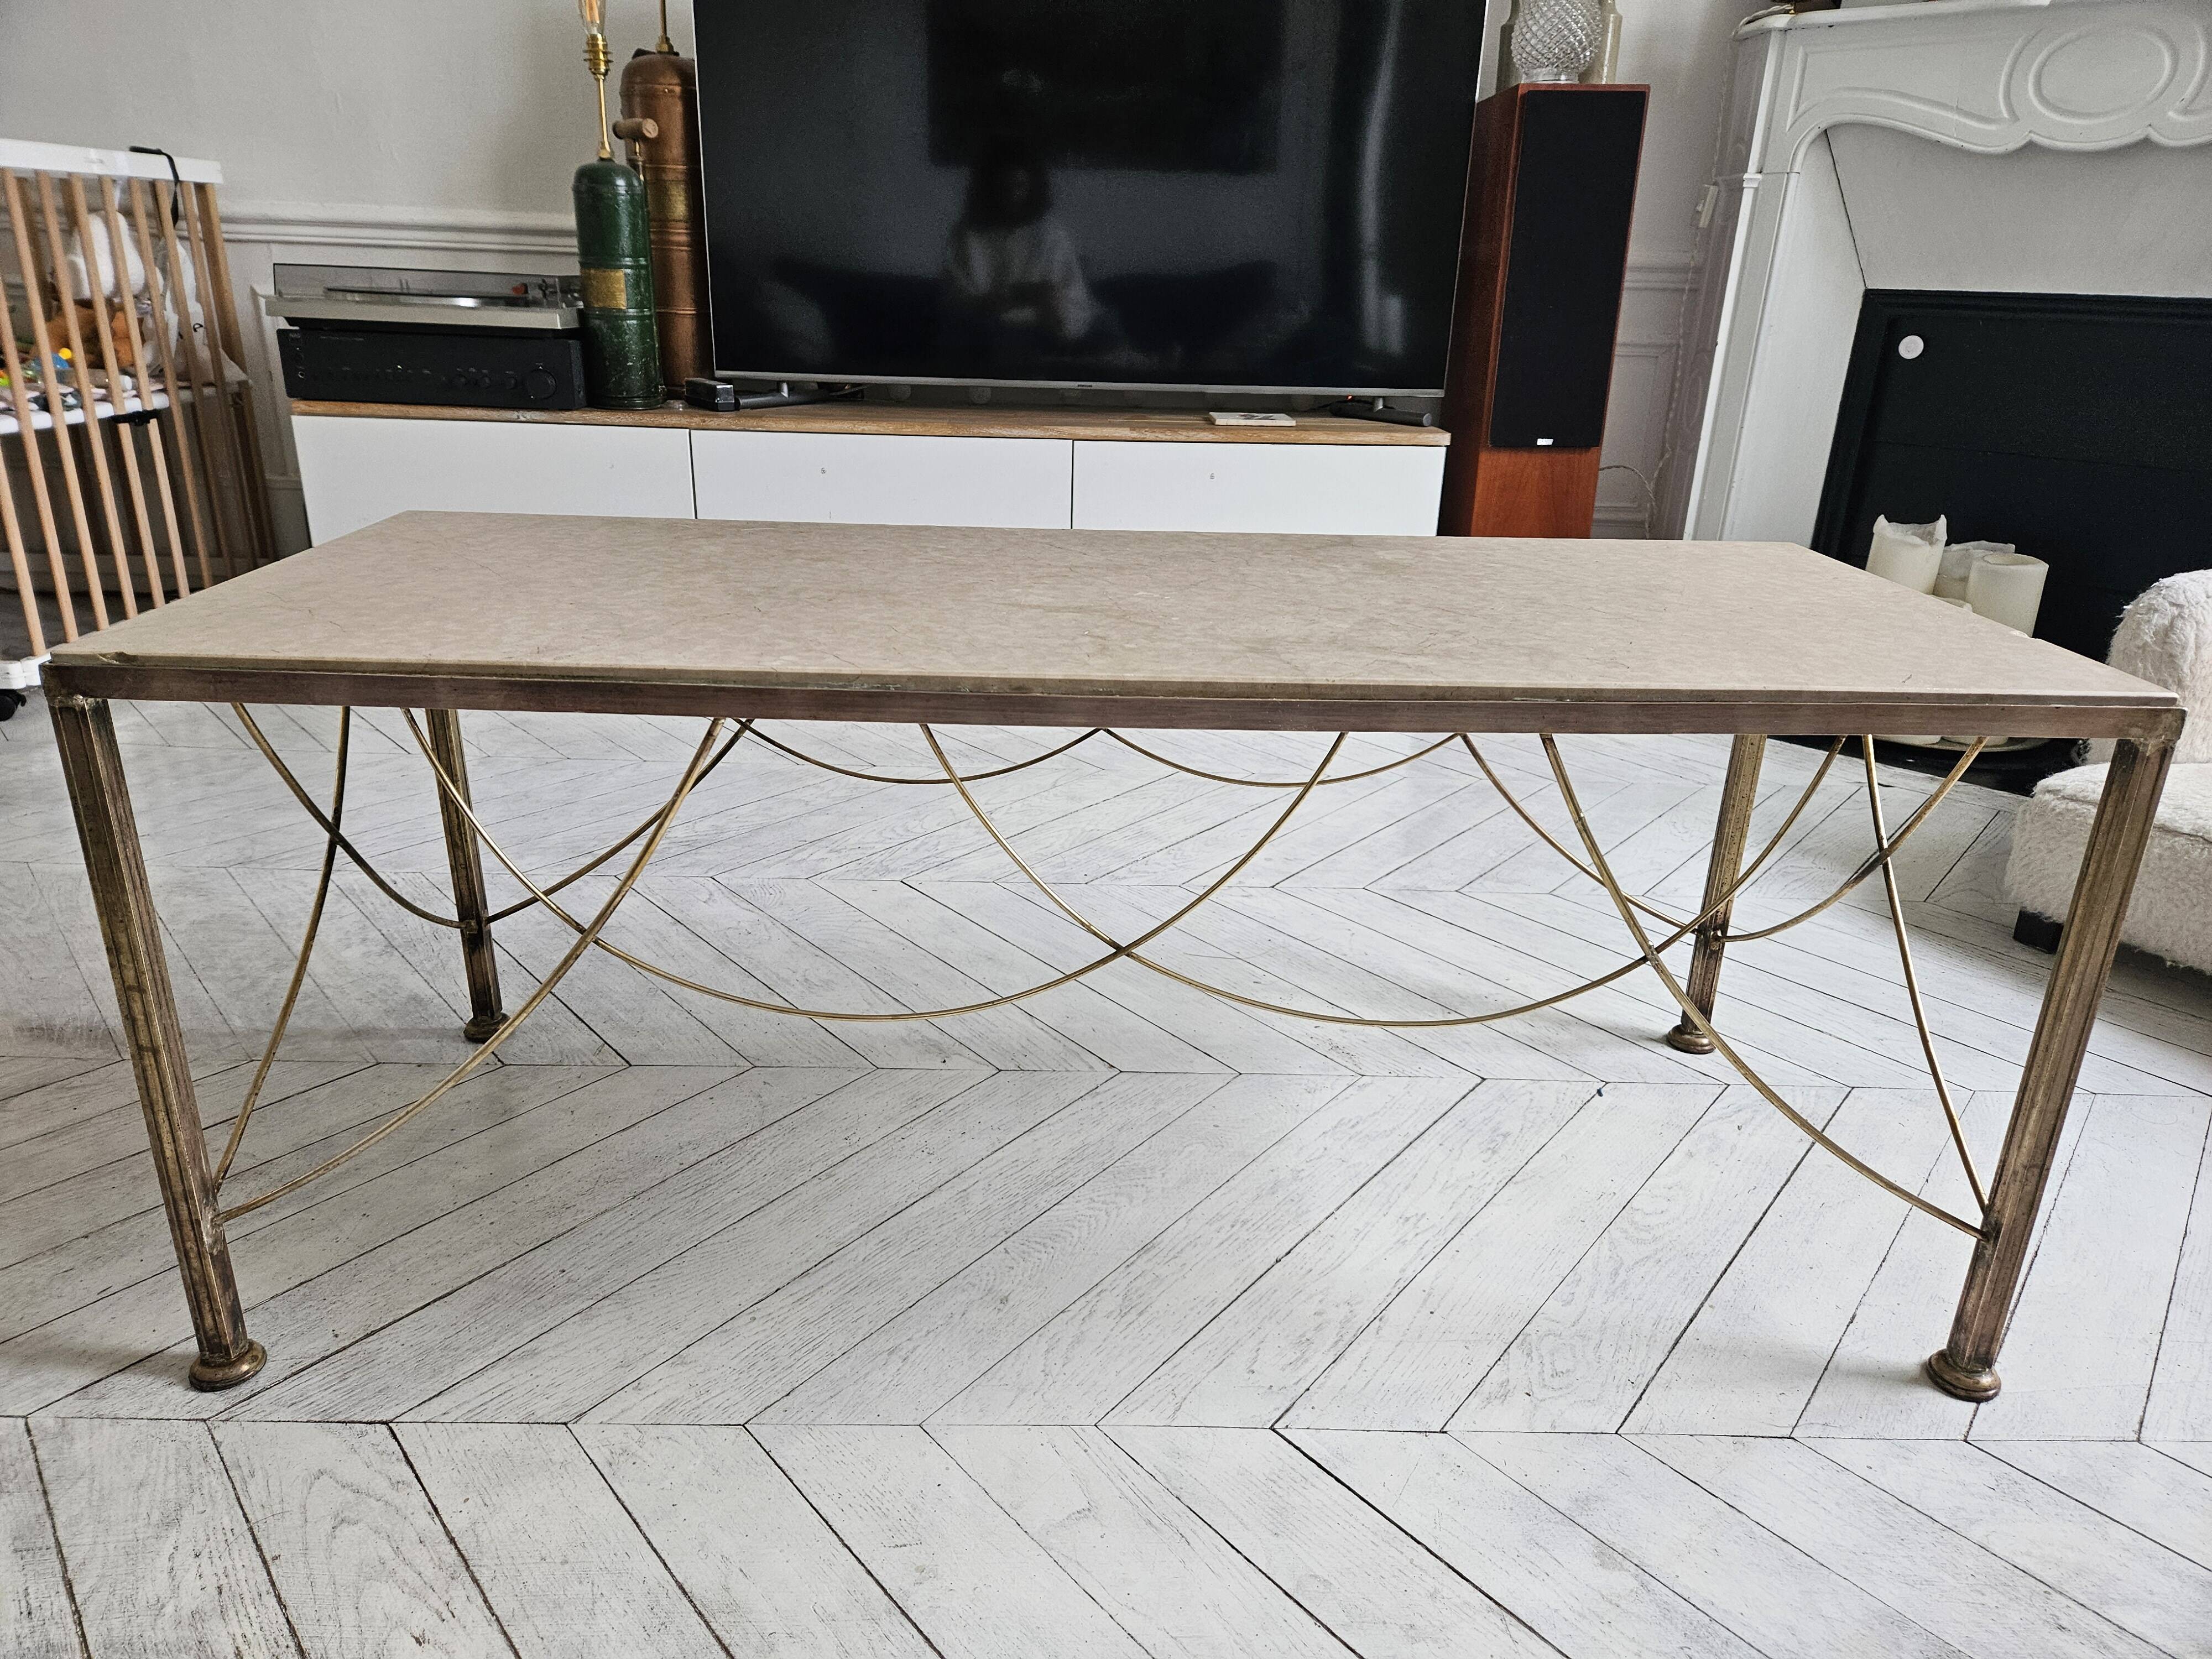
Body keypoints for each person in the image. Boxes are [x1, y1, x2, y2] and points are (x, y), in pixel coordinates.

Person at [943, 137, 1102, 351]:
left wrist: (1050, 300)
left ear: (1033, 187)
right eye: (1003, 188)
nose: (1012, 196)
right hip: (991, 340)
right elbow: (955, 307)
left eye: (1019, 186)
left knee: (1107, 326)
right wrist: (999, 303)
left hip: (1051, 337)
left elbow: (1077, 316)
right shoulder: (968, 235)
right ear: (988, 189)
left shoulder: (1052, 235)